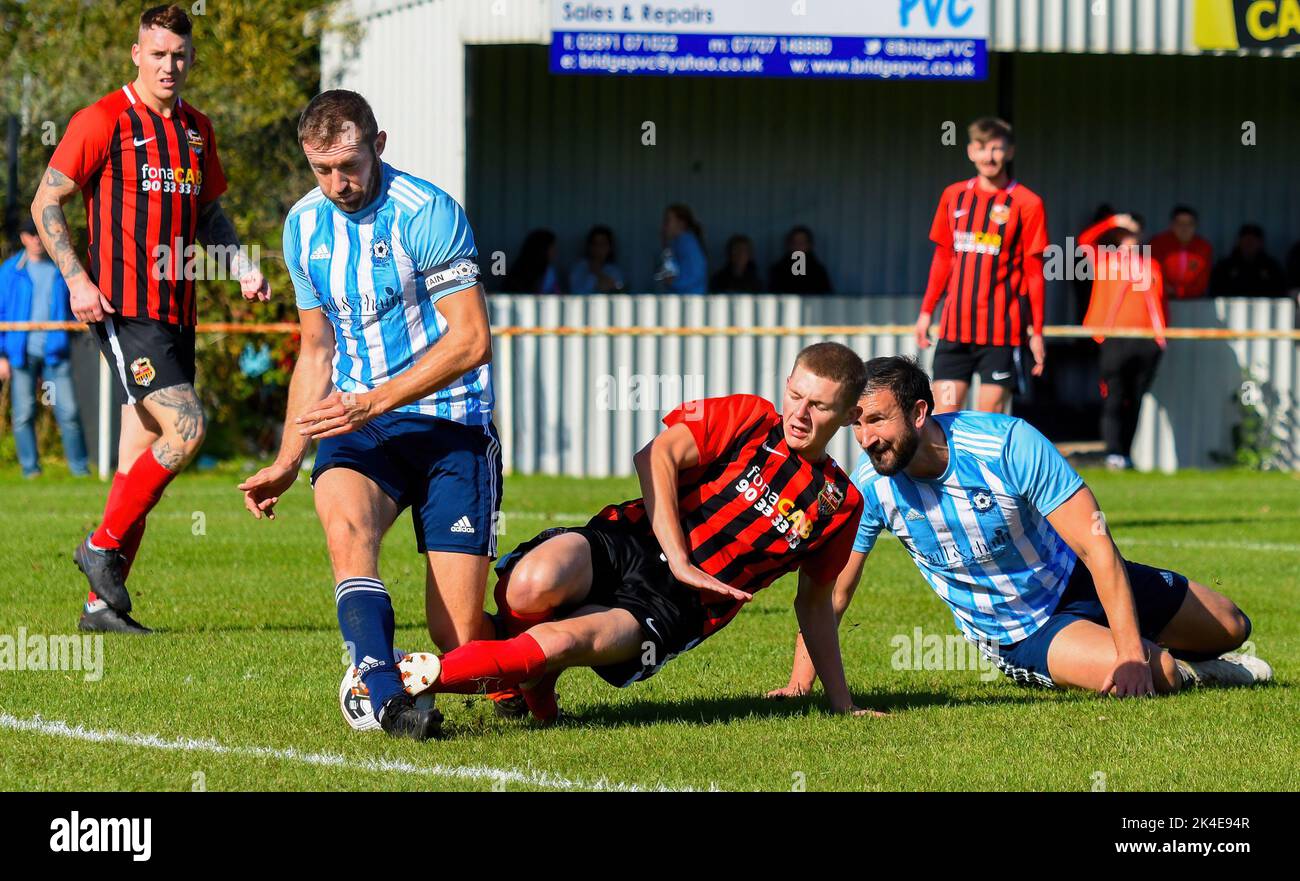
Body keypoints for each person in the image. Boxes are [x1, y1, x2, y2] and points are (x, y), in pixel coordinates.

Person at [364, 343, 880, 727]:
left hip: (679, 605)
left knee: (564, 639)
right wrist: (678, 554)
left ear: (849, 415)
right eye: (795, 395)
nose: (800, 414)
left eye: (820, 406)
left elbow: (814, 604)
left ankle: (409, 677)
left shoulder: (840, 505)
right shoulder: (748, 416)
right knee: (529, 584)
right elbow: (655, 455)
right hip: (632, 538)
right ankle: (526, 689)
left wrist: (840, 703)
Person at [770, 356, 1271, 701]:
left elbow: (1097, 548)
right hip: (1018, 630)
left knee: (1232, 626)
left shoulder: (1008, 444)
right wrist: (798, 685)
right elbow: (833, 594)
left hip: (1075, 579)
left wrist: (1128, 653)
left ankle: (1172, 657)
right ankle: (1187, 672)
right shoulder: (868, 488)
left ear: (920, 413)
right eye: (856, 424)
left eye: (876, 421)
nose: (865, 438)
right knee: (1156, 671)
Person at [239, 90, 500, 742]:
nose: (338, 183)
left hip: (450, 425)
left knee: (459, 640)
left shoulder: (428, 212)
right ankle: (386, 696)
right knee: (347, 531)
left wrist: (376, 398)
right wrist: (286, 458)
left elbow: (471, 339)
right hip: (363, 426)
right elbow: (318, 349)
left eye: (349, 165)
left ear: (377, 145)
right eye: (322, 169)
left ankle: (524, 668)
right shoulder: (302, 226)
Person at [31, 4, 269, 634]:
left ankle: (101, 607)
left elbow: (210, 211)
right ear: (137, 54)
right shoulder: (102, 118)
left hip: (177, 311)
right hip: (123, 307)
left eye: (180, 55)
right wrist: (77, 278)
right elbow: (46, 199)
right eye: (158, 54)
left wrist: (240, 262)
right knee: (187, 427)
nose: (170, 65)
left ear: (191, 58)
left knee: (139, 456)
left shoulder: (197, 131)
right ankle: (101, 548)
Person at [914, 117, 1048, 414]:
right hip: (954, 332)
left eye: (997, 149)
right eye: (982, 148)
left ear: (1010, 152)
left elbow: (1035, 272)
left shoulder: (1027, 203)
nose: (989, 156)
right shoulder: (954, 196)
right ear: (971, 152)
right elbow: (943, 258)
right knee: (944, 419)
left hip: (1001, 334)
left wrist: (1036, 330)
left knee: (987, 425)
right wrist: (926, 312)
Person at [0, 217, 90, 478]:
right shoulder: (9, 272)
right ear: (23, 238)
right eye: (31, 234)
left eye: (40, 234)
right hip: (21, 354)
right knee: (23, 413)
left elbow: (75, 306)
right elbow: (2, 312)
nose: (37, 239)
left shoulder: (62, 269)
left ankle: (80, 470)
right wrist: (2, 355)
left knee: (68, 411)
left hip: (55, 352)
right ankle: (30, 471)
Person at [1078, 213, 1168, 471]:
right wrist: (1113, 221)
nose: (1130, 239)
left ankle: (1126, 454)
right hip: (1115, 339)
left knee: (1136, 398)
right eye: (1124, 234)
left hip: (1147, 341)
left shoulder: (1151, 265)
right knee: (1114, 396)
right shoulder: (1104, 260)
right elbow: (1085, 242)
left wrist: (1161, 337)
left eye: (1134, 234)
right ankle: (1113, 452)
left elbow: (1160, 304)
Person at [1149, 205, 1212, 300]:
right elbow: (1152, 274)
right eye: (1180, 223)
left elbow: (1202, 282)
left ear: (1196, 225)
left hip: (1193, 302)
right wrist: (1166, 290)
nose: (1184, 228)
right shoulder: (1157, 243)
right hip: (1162, 299)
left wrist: (1179, 292)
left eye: (1189, 224)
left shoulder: (1204, 247)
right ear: (1172, 225)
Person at [1211, 224, 1287, 297]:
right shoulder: (1225, 266)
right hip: (1231, 308)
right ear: (1239, 241)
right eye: (1246, 239)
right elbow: (1215, 292)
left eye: (1254, 239)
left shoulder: (1271, 266)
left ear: (1261, 242)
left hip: (1264, 308)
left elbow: (1280, 291)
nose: (1249, 242)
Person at [654, 204, 707, 294]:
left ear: (681, 223)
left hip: (689, 301)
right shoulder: (677, 243)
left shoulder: (687, 243)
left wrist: (674, 281)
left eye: (667, 221)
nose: (664, 226)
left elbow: (694, 274)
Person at [767, 226, 833, 295]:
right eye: (794, 243)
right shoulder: (778, 270)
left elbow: (825, 296)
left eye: (801, 243)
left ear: (809, 245)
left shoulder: (818, 271)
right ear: (789, 245)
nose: (798, 247)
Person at [567, 225, 625, 294]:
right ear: (589, 246)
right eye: (595, 244)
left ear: (609, 247)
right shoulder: (579, 268)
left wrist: (598, 273)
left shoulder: (614, 270)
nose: (598, 248)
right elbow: (576, 293)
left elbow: (619, 290)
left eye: (602, 244)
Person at [503, 228, 561, 294]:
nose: (555, 252)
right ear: (542, 249)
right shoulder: (520, 271)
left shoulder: (550, 271)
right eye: (551, 248)